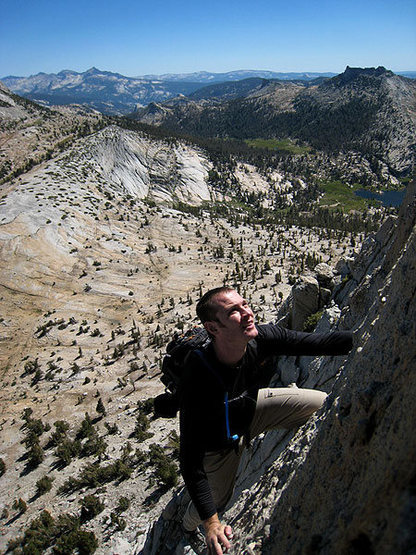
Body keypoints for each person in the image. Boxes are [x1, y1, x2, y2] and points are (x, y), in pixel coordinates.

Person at [179, 286, 353, 555]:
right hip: (218, 445)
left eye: (245, 304)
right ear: (213, 328)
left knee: (321, 403)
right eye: (233, 312)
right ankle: (187, 525)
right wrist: (212, 524)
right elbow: (189, 459)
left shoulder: (262, 337)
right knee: (218, 500)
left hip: (252, 410)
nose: (247, 313)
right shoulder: (198, 373)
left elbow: (320, 343)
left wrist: (376, 332)